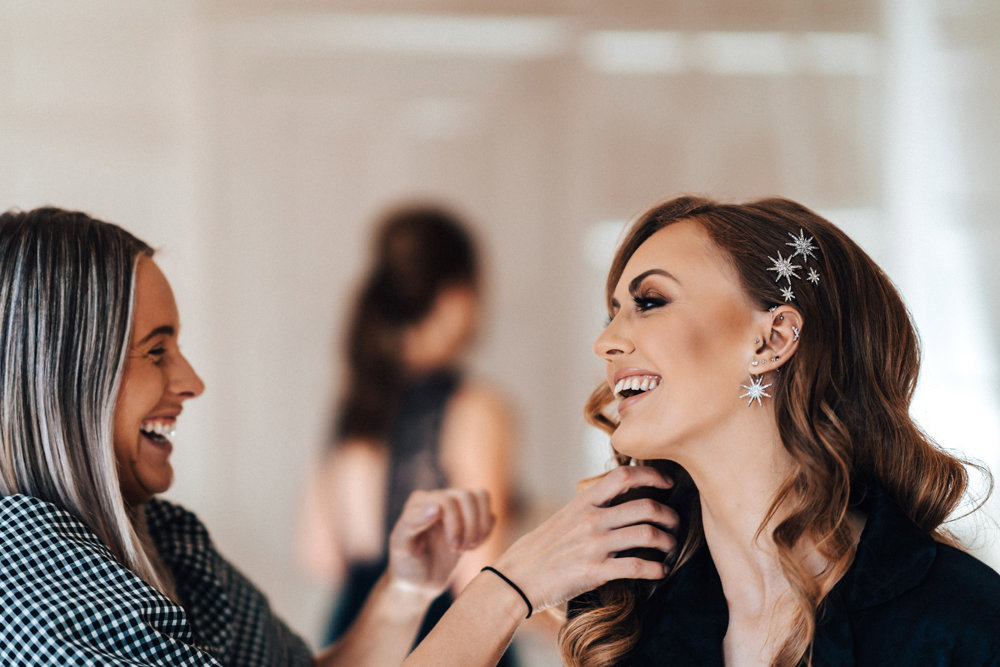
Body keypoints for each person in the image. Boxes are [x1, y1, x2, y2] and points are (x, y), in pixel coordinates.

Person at [0, 206, 680, 666]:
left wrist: (405, 592)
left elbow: (317, 559)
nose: (192, 380)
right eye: (155, 350)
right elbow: (489, 567)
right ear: (64, 377)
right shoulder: (33, 588)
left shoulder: (170, 536)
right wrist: (516, 585)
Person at [546, 195, 1000, 666]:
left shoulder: (964, 625)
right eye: (613, 314)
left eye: (650, 302)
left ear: (773, 339)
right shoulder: (626, 619)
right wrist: (508, 588)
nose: (605, 343)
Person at [299, 203, 519, 652]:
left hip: (354, 638)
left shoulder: (356, 403)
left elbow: (317, 553)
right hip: (447, 639)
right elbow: (482, 573)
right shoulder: (476, 408)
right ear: (459, 296)